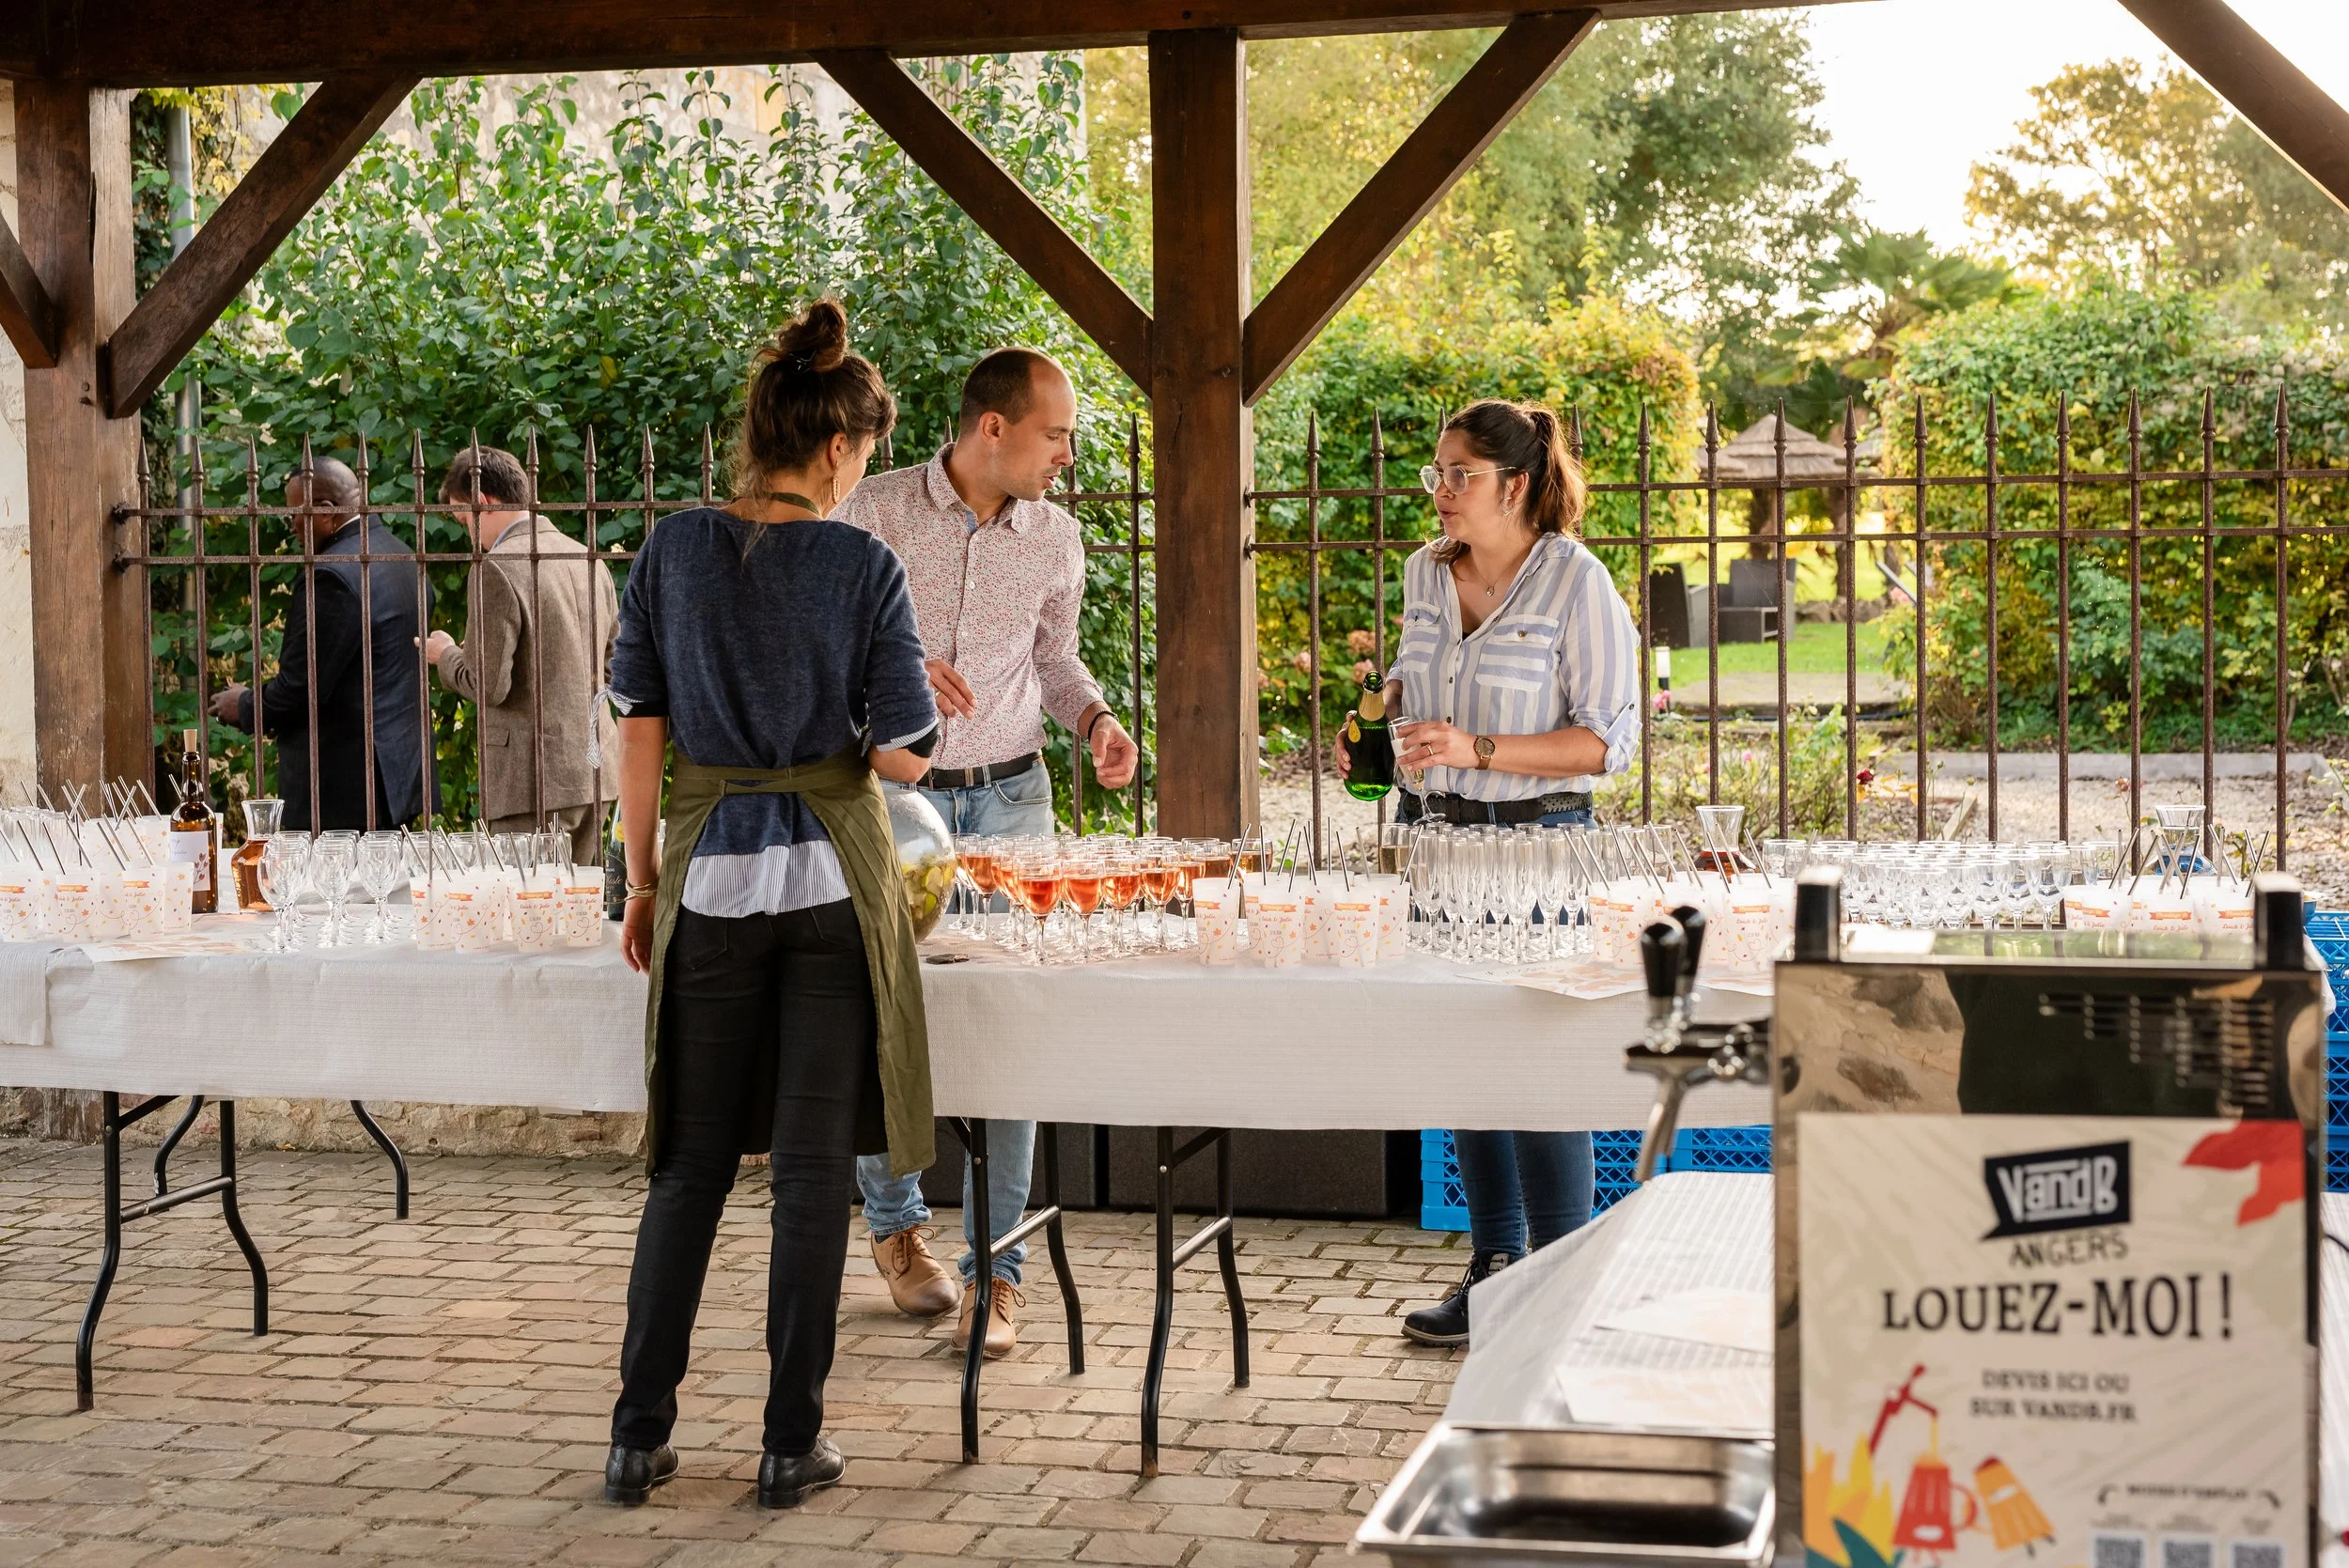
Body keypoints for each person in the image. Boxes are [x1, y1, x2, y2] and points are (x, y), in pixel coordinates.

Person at [601, 300, 940, 1511]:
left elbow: (638, 732)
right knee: (808, 1174)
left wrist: (643, 881)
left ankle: (638, 1435)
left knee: (687, 1167)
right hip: (832, 890)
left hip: (707, 877)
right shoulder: (862, 564)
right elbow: (904, 751)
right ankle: (788, 1444)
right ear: (842, 450)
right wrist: (907, 706)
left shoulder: (668, 551)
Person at [836, 347, 1138, 1358]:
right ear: (992, 428)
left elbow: (1054, 657)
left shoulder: (1056, 536)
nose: (1067, 452)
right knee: (885, 1017)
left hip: (1013, 800)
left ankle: (999, 1270)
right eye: (1055, 433)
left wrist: (1093, 717)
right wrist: (895, 660)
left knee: (1010, 1030)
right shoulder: (871, 511)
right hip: (889, 799)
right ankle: (893, 1225)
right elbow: (820, 642)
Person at [1345, 397, 1639, 1347]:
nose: (1439, 493)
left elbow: (1604, 745)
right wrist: (1379, 714)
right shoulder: (1423, 576)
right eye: (1435, 474)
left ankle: (1563, 1278)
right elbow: (1406, 680)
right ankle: (1493, 1266)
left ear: (1513, 485)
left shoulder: (1576, 584)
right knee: (1469, 1056)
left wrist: (1476, 741)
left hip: (1539, 847)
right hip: (1436, 844)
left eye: (1458, 476)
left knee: (1538, 1062)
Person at [210, 456, 435, 831]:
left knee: (332, 890)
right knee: (385, 887)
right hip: (399, 772)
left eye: (295, 515)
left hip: (342, 789)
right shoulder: (404, 555)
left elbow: (303, 688)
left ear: (326, 512)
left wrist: (245, 705)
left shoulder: (331, 576)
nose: (292, 527)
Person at [422, 444, 620, 865]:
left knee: (527, 921)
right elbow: (612, 669)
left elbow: (488, 684)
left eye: (464, 518)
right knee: (578, 918)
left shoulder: (496, 567)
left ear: (483, 502)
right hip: (596, 771)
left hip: (530, 783)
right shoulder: (588, 559)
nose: (467, 533)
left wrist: (447, 655)